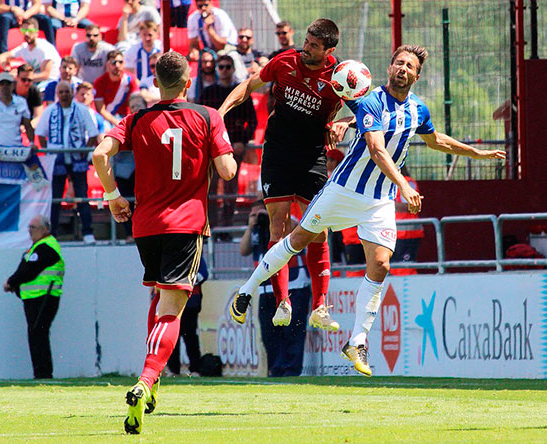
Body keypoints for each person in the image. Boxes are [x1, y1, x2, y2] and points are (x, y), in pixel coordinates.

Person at [233, 45, 506, 377]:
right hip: (344, 192)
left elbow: (437, 141)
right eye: (399, 63)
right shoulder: (371, 101)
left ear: (417, 75)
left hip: (378, 201)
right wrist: (404, 186)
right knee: (297, 240)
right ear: (389, 68)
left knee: (381, 263)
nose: (403, 69)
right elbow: (376, 149)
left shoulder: (419, 110)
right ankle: (247, 289)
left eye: (410, 66)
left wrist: (479, 154)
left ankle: (357, 341)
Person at [92, 51, 236, 434]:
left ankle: (152, 385)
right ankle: (146, 379)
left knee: (159, 298)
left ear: (156, 83)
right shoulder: (208, 116)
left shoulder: (137, 118)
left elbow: (99, 154)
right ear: (188, 81)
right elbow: (227, 169)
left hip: (146, 224)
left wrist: (113, 197)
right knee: (172, 309)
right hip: (185, 224)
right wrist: (216, 152)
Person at [220, 18, 347, 331]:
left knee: (317, 228)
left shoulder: (340, 76)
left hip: (313, 157)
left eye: (314, 46)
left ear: (329, 50)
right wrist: (218, 116)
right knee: (277, 224)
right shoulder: (284, 62)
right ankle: (282, 302)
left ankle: (320, 306)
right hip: (277, 153)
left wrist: (345, 124)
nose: (306, 48)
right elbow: (246, 88)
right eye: (306, 41)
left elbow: (366, 109)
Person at [239, 200, 309, 376]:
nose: (259, 217)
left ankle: (292, 370)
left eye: (261, 213)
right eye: (253, 214)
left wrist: (272, 218)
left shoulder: (287, 221)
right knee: (269, 334)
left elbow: (296, 229)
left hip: (293, 285)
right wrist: (251, 225)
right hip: (265, 288)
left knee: (292, 331)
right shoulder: (255, 230)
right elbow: (243, 250)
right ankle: (275, 369)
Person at [199, 54, 257, 231]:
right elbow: (201, 119)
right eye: (221, 67)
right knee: (212, 188)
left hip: (234, 146)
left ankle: (227, 226)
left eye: (227, 67)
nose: (224, 70)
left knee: (231, 187)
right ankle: (213, 227)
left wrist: (243, 140)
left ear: (232, 69)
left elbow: (252, 121)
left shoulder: (240, 93)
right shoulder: (208, 93)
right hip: (213, 146)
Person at [3, 214, 65, 379]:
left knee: (38, 333)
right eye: (29, 227)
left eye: (33, 227)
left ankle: (43, 374)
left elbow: (29, 270)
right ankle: (41, 373)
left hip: (44, 296)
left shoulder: (47, 246)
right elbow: (25, 268)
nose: (30, 231)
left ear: (44, 229)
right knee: (36, 334)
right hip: (34, 297)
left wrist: (11, 282)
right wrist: (14, 283)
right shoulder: (37, 247)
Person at [36, 81, 98, 244]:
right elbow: (41, 134)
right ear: (57, 94)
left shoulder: (83, 110)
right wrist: (49, 152)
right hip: (57, 160)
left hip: (78, 159)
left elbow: (93, 133)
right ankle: (52, 233)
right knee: (55, 197)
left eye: (67, 92)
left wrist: (84, 152)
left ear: (72, 93)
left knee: (82, 196)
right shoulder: (49, 111)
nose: (64, 95)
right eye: (61, 92)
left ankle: (88, 232)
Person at [0, 71, 45, 191]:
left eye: (7, 84)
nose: (4, 87)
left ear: (13, 85)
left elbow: (28, 126)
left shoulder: (21, 102)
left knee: (16, 184)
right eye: (2, 84)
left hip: (16, 151)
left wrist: (31, 143)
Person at [165, 256, 208, 377]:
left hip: (191, 300)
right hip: (172, 300)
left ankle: (195, 369)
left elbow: (203, 274)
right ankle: (173, 369)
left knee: (190, 336)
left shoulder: (195, 254)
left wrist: (184, 281)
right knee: (173, 336)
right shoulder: (170, 254)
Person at [0, 18, 61, 86]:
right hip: (34, 81)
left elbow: (45, 75)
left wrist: (21, 77)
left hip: (51, 82)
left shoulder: (44, 48)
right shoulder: (24, 48)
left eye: (30, 31)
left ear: (37, 33)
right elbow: (1, 57)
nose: (26, 34)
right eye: (24, 31)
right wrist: (7, 69)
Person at [391, 165, 424, 275]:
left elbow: (410, 206)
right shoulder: (390, 184)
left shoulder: (408, 183)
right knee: (395, 268)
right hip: (394, 234)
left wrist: (385, 204)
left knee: (405, 269)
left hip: (408, 234)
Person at [93, 50, 139, 126]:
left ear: (124, 63)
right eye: (114, 62)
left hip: (126, 117)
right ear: (108, 64)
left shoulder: (130, 79)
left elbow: (137, 103)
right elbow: (101, 110)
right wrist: (116, 122)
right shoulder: (99, 82)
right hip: (107, 119)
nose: (117, 65)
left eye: (120, 62)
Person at [15, 63, 44, 128]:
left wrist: (28, 127)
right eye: (23, 80)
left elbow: (38, 116)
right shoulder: (9, 91)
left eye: (30, 80)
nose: (26, 83)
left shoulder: (34, 91)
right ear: (17, 78)